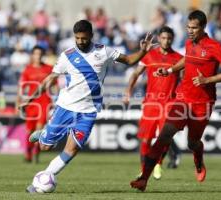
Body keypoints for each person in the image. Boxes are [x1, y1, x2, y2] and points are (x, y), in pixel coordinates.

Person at [19, 20, 153, 193]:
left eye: (83, 38)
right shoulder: (67, 56)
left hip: (88, 111)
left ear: (91, 35)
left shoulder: (103, 51)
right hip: (66, 107)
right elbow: (49, 79)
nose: (80, 41)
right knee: (45, 147)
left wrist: (143, 51)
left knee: (72, 149)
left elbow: (128, 60)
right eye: (77, 38)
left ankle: (41, 182)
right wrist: (30, 100)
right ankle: (44, 135)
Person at [130, 10, 221, 191]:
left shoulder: (215, 47)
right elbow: (187, 60)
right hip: (182, 99)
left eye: (194, 28)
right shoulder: (188, 43)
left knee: (192, 142)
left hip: (203, 103)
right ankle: (144, 179)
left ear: (203, 28)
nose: (190, 31)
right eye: (188, 27)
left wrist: (207, 80)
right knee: (164, 136)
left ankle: (198, 158)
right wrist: (170, 70)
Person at [123, 26, 182, 179]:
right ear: (158, 39)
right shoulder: (148, 56)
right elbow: (135, 73)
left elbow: (185, 79)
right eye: (163, 38)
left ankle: (158, 164)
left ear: (173, 39)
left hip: (169, 103)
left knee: (164, 137)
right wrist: (128, 91)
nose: (166, 41)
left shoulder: (179, 58)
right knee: (146, 138)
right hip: (151, 104)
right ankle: (144, 170)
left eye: (169, 38)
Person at [16, 45, 54, 163]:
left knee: (39, 128)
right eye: (36, 54)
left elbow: (55, 84)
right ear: (32, 55)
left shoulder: (49, 68)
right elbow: (22, 87)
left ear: (42, 55)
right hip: (31, 103)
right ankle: (28, 153)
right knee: (29, 130)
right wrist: (18, 101)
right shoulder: (27, 70)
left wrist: (56, 99)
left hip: (44, 102)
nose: (38, 56)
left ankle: (36, 154)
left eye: (40, 54)